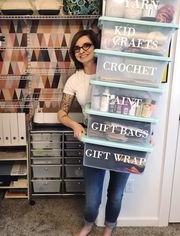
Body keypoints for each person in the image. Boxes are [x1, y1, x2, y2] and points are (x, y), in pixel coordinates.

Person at [57, 30, 130, 236]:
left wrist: (141, 131)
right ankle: (89, 224)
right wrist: (74, 124)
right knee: (92, 197)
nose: (81, 51)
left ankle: (108, 228)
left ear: (96, 46)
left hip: (121, 143)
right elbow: (61, 113)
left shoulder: (114, 72)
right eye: (77, 48)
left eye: (86, 45)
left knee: (116, 194)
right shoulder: (74, 80)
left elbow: (133, 101)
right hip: (94, 144)